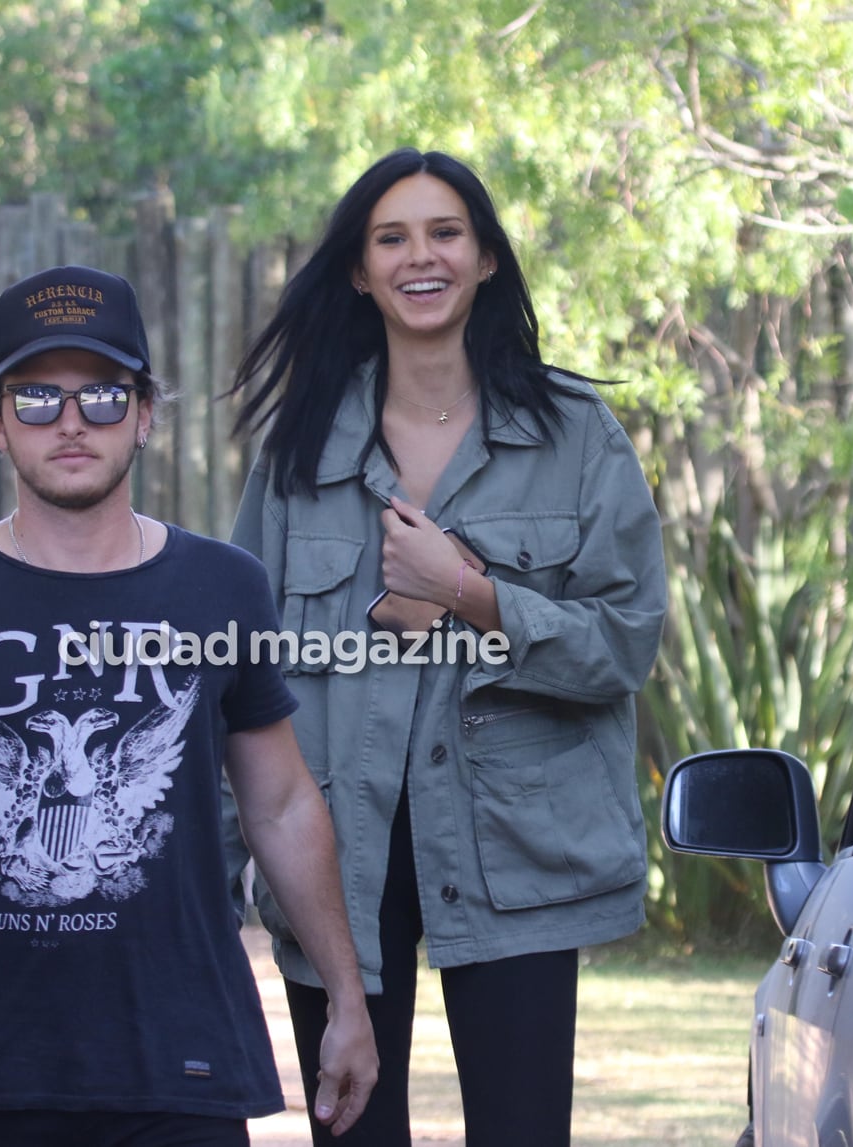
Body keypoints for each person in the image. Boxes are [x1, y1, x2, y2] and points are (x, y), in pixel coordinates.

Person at [0, 265, 376, 1147]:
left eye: (104, 395)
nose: (71, 421)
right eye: (36, 397)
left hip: (184, 1065)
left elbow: (280, 802)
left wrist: (347, 995)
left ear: (146, 413)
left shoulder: (221, 588)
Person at [226, 148, 668, 1145]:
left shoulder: (577, 435)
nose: (418, 257)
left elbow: (624, 643)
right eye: (391, 238)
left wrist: (470, 593)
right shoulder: (298, 454)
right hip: (337, 853)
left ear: (485, 261)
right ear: (357, 269)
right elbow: (240, 674)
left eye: (443, 233)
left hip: (517, 847)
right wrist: (217, 864)